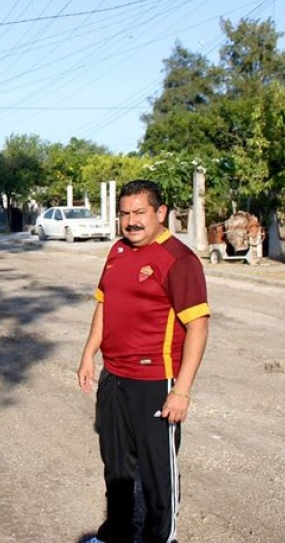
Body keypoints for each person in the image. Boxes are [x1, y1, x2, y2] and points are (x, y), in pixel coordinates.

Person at [77, 180, 210, 543]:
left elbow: (197, 327)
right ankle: (116, 534)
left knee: (156, 474)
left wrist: (181, 391)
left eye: (139, 213)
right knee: (117, 468)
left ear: (160, 213)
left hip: (156, 382)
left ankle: (160, 539)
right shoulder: (117, 251)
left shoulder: (178, 260)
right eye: (124, 213)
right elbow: (105, 305)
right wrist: (89, 354)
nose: (131, 221)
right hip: (114, 377)